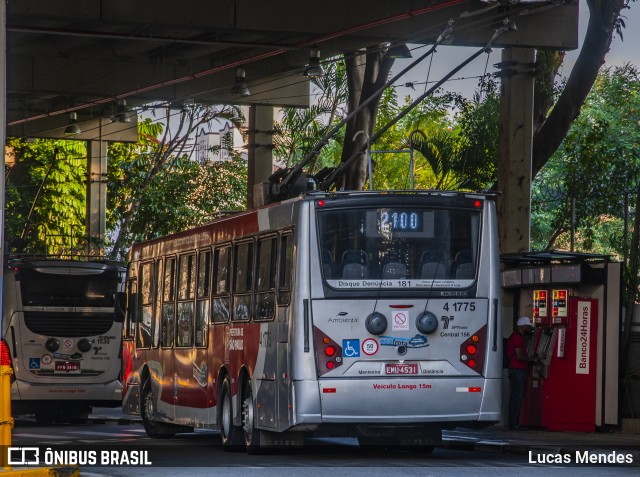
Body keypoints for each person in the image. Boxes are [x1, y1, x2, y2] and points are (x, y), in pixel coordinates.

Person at [507, 316, 539, 430]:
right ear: (522, 326)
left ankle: (513, 422)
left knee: (516, 396)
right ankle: (513, 423)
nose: (528, 328)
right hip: (517, 370)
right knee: (517, 397)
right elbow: (520, 356)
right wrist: (533, 360)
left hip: (517, 370)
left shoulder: (516, 336)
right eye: (527, 326)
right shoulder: (517, 338)